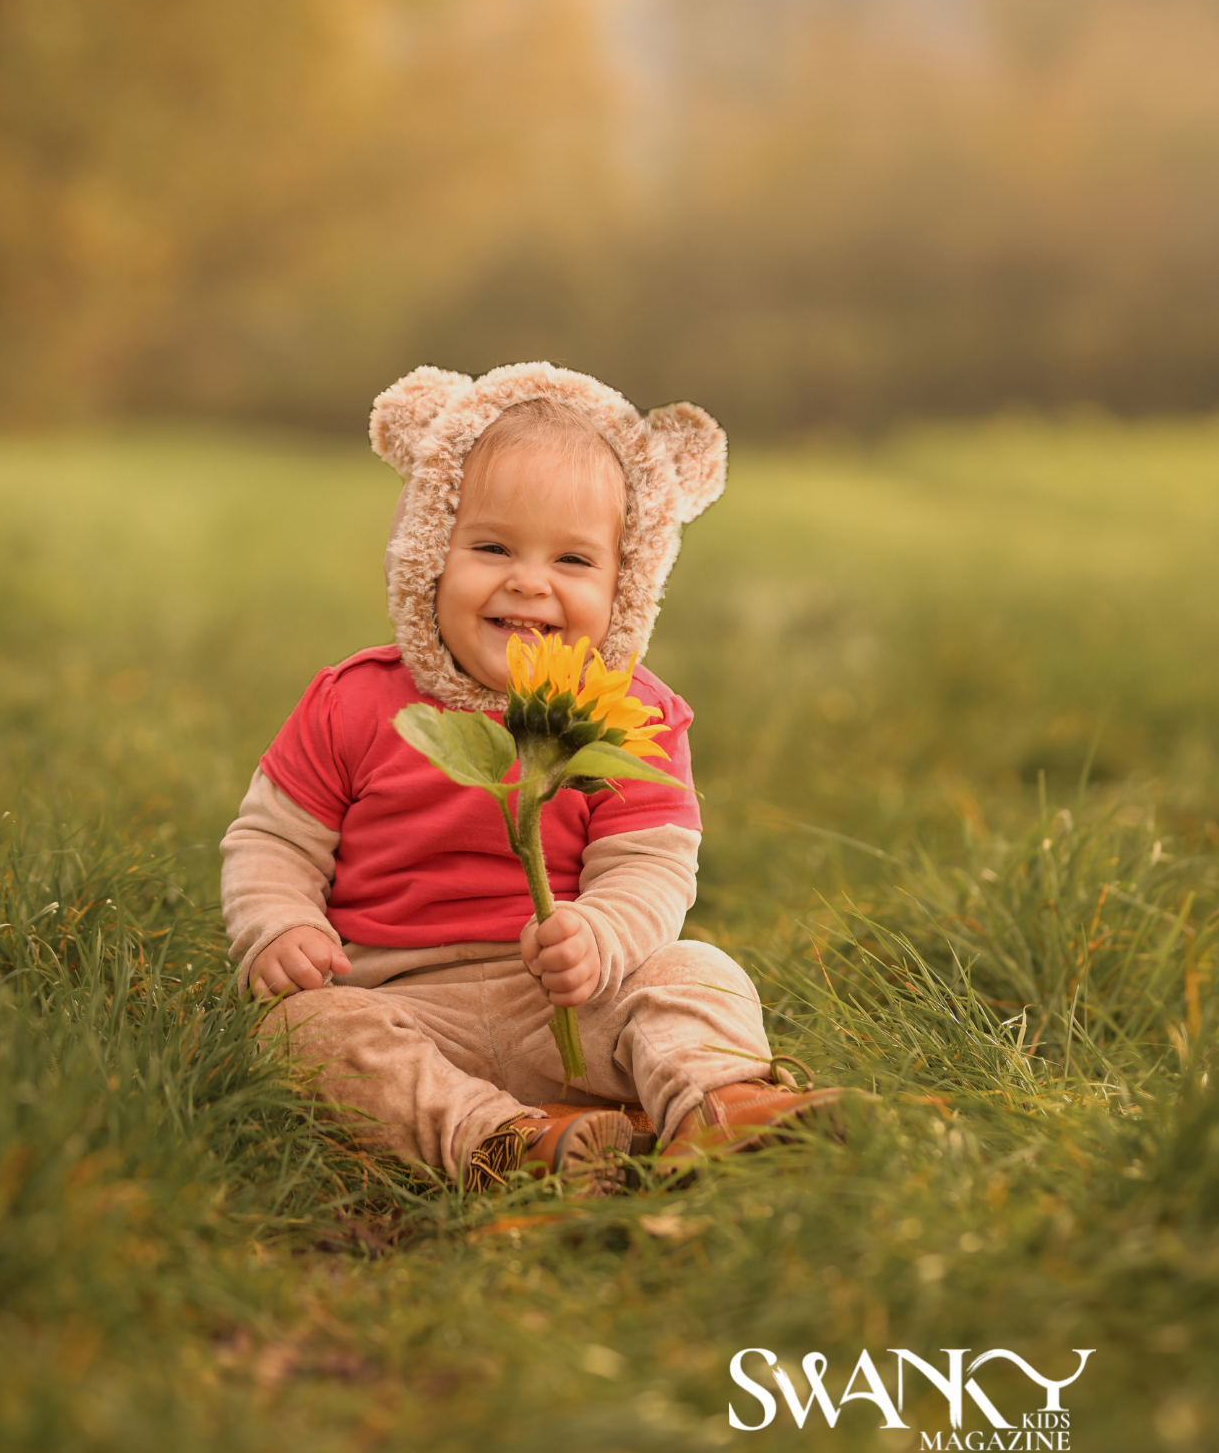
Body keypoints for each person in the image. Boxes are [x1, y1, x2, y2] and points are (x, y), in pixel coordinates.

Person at [220, 363, 846, 1191]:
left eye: (573, 560)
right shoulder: (353, 702)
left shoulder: (631, 714)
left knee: (694, 971)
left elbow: (648, 866)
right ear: (426, 554)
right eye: (490, 547)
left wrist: (600, 937)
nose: (527, 580)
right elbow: (273, 840)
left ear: (627, 584)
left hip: (571, 1007)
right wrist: (280, 928)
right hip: (404, 1005)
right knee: (298, 1033)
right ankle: (507, 1141)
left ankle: (715, 1106)